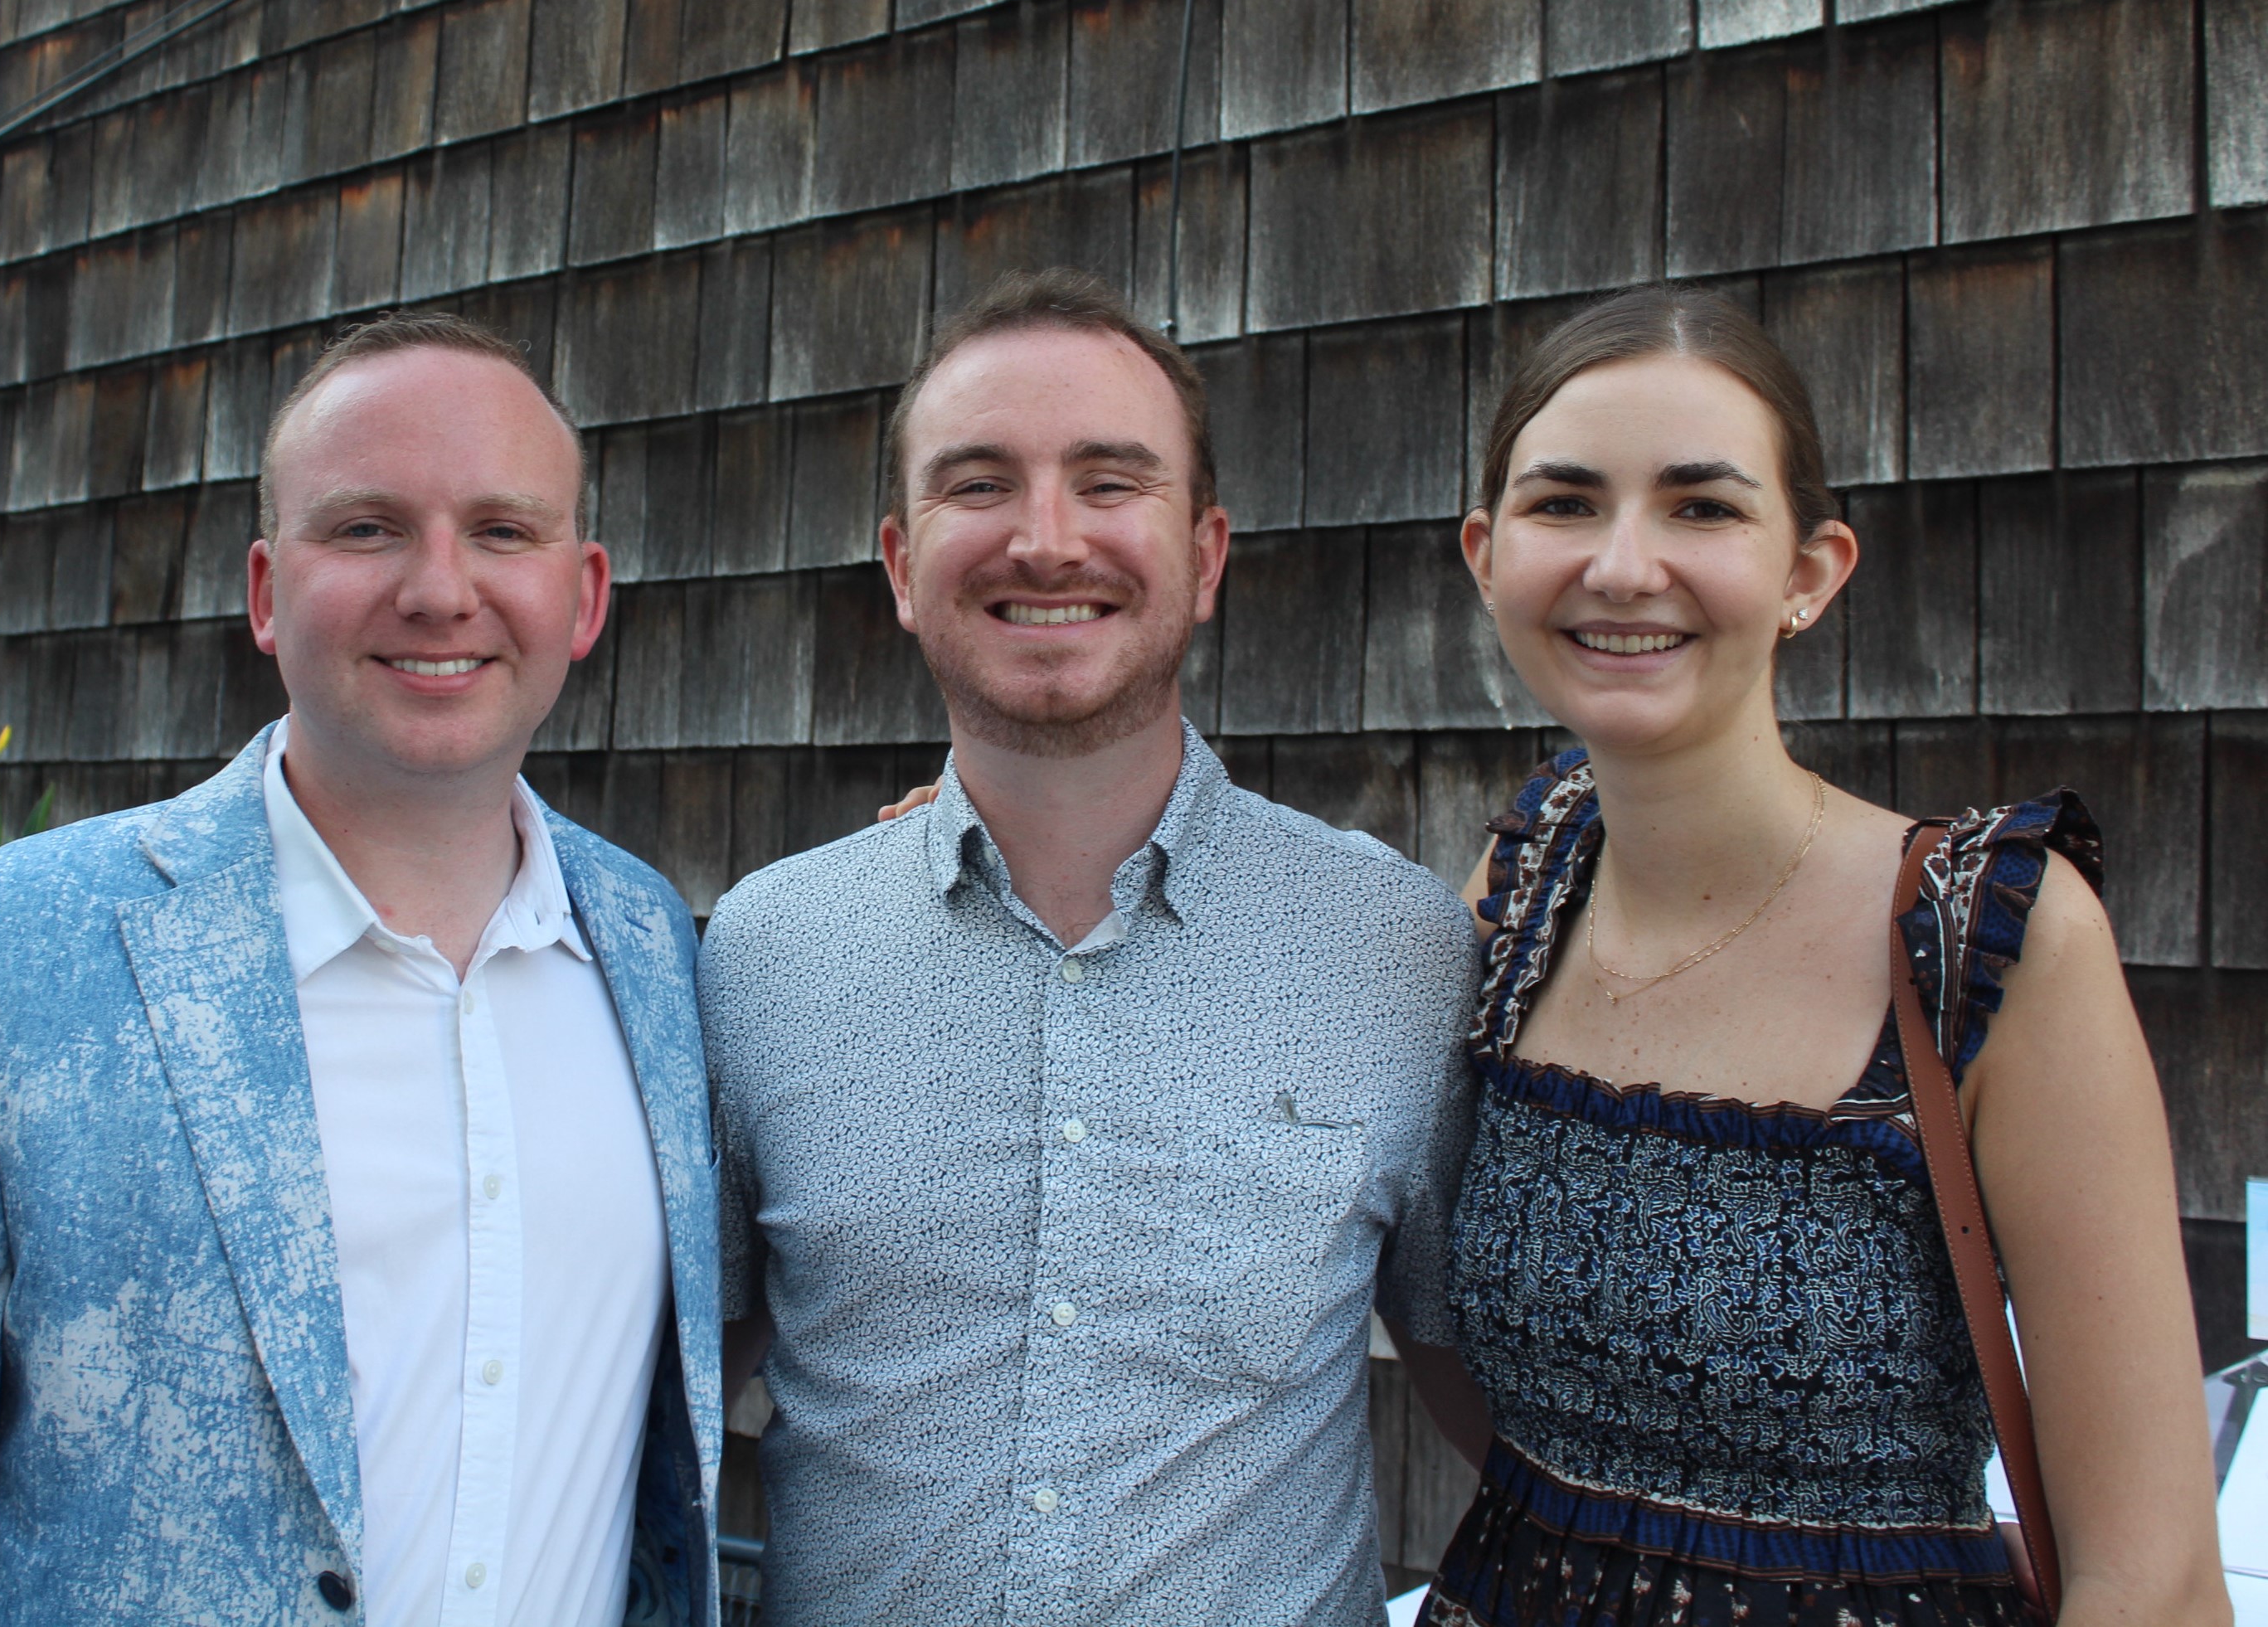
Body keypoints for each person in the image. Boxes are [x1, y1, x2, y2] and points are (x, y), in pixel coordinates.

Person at [0, 312, 722, 1626]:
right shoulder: (2, 966)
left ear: (584, 595)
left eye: (502, 530)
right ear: (266, 591)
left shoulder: (654, 948)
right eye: (367, 527)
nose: (440, 589)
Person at [1418, 285, 2228, 1625]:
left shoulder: (1986, 937)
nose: (1623, 563)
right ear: (1486, 551)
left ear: (1811, 569)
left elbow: (2151, 1574)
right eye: (1566, 503)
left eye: (1703, 505)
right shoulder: (1518, 887)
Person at [699, 269, 1487, 1626]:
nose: (1047, 539)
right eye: (980, 483)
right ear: (900, 561)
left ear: (1205, 554)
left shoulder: (1396, 951)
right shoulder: (762, 955)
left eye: (1111, 480)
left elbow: (1508, 1413)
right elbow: (656, 1411)